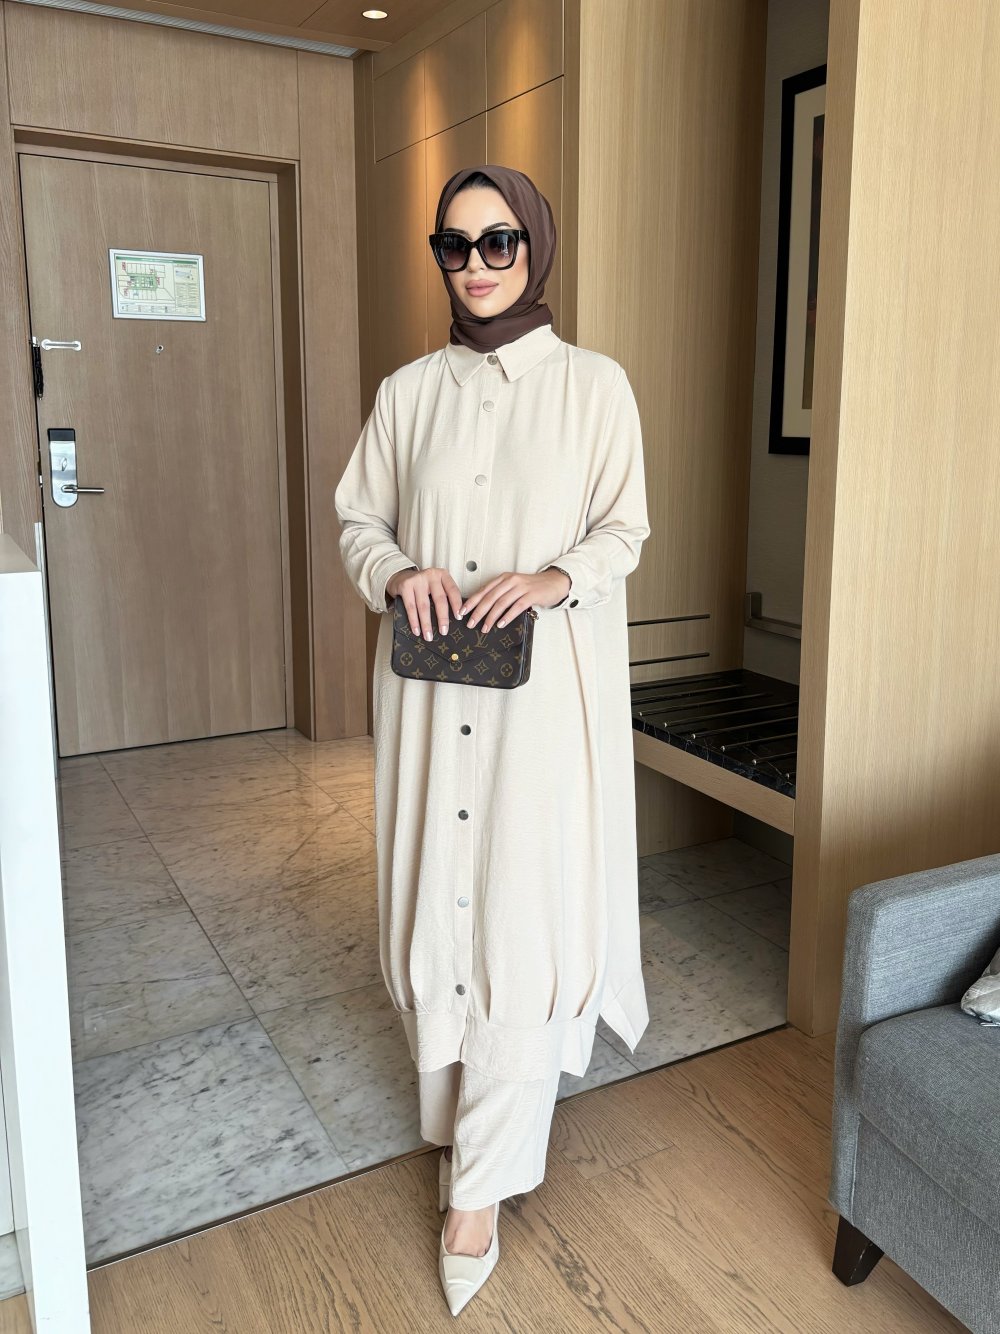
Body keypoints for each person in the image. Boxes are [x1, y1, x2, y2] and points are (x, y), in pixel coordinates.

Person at [334, 164, 651, 1315]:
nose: (475, 265)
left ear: (535, 246)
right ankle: (453, 1115)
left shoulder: (593, 386)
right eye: (454, 245)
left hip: (540, 702)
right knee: (439, 891)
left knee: (518, 903)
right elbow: (357, 519)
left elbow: (625, 525)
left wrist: (554, 576)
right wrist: (395, 570)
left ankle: (480, 1185)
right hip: (429, 696)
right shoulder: (406, 393)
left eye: (498, 240)